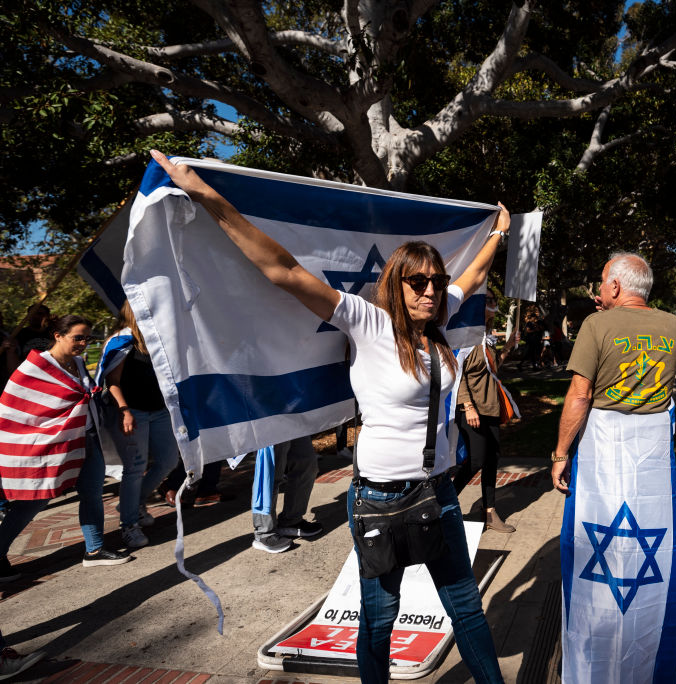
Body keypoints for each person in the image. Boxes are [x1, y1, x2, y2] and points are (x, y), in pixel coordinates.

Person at [151, 149, 506, 683]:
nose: (431, 289)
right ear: (396, 283)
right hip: (380, 498)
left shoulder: (442, 321)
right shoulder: (368, 321)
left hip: (439, 494)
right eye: (418, 282)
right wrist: (202, 193)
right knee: (380, 620)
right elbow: (283, 269)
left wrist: (499, 232)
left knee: (467, 610)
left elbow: (473, 274)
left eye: (435, 280)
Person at [552, 252, 676, 683]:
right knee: (653, 543)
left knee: (596, 544)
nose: (597, 291)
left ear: (614, 286)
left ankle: (592, 657)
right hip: (651, 450)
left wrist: (560, 453)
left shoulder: (596, 325)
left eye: (600, 283)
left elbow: (579, 395)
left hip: (604, 452)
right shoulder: (673, 325)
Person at [0, 315, 132, 582]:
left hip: (87, 438)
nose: (84, 343)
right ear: (57, 335)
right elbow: (14, 406)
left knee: (92, 493)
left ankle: (94, 550)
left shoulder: (80, 363)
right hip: (51, 445)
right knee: (34, 501)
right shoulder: (34, 367)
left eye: (88, 338)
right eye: (78, 337)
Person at [99, 302, 180, 548]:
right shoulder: (121, 340)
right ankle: (129, 525)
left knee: (168, 461)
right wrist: (125, 410)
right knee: (135, 468)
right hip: (133, 412)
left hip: (159, 410)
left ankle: (132, 504)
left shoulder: (154, 337)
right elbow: (111, 381)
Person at [453, 292, 519, 533]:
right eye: (489, 300)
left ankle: (489, 513)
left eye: (495, 300)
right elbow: (458, 375)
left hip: (490, 407)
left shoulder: (486, 339)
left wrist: (508, 347)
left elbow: (492, 370)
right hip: (472, 410)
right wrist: (467, 406)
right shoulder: (466, 338)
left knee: (491, 461)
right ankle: (444, 503)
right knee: (476, 460)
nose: (494, 304)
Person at [251, 436, 323, 553]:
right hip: (268, 422)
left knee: (307, 464)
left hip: (293, 419)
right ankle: (263, 533)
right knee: (270, 472)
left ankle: (291, 521)